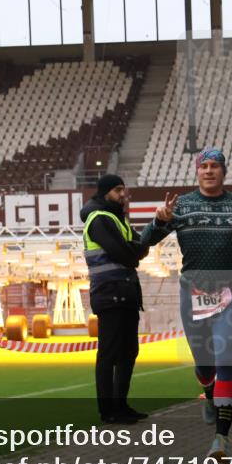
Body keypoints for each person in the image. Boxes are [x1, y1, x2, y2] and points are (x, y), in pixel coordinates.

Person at [141, 148, 232, 459]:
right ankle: (208, 393)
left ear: (224, 171)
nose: (209, 171)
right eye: (204, 166)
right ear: (197, 172)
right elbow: (146, 240)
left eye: (215, 166)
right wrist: (158, 220)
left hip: (229, 292)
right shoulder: (181, 206)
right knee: (204, 363)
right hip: (191, 293)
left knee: (225, 359)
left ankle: (220, 439)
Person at [81, 174, 149, 424]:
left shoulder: (117, 219)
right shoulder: (99, 219)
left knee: (129, 351)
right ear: (106, 192)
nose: (123, 194)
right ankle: (108, 411)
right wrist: (133, 252)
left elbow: (141, 246)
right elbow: (129, 255)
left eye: (124, 189)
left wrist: (134, 251)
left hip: (127, 293)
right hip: (110, 293)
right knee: (109, 354)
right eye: (118, 190)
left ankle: (121, 406)